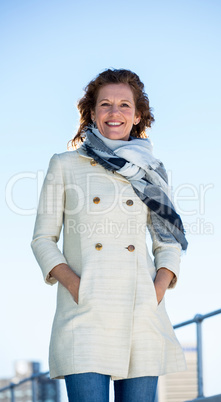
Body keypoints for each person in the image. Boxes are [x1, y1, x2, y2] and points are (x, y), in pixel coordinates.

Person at [31, 68, 188, 402]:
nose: (114, 113)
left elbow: (168, 240)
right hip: (85, 313)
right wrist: (76, 284)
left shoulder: (151, 172)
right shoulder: (65, 165)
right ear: (92, 112)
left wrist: (156, 290)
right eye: (105, 105)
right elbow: (43, 238)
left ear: (137, 116)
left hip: (140, 311)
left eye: (124, 105)